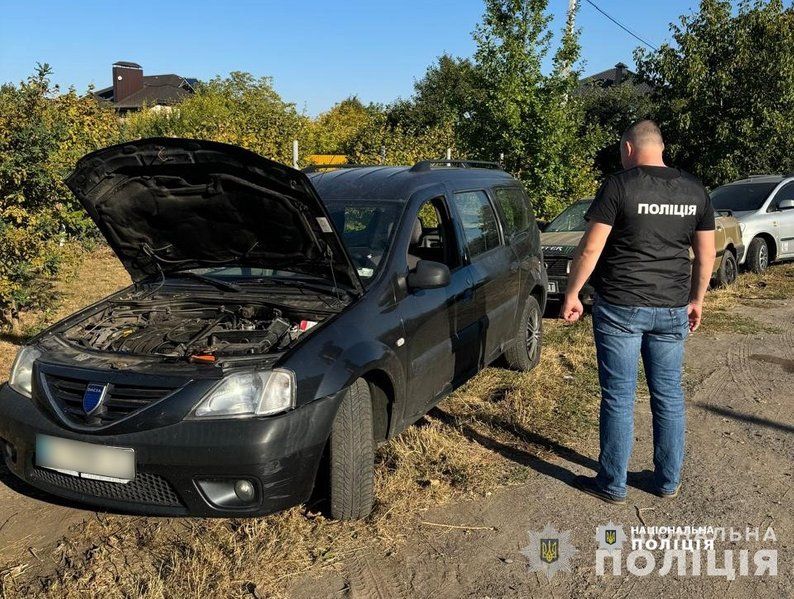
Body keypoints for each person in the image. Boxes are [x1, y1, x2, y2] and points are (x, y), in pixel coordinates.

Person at [561, 120, 716, 504]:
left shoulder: (619, 185)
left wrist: (572, 293)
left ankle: (612, 483)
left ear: (629, 148)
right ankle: (667, 481)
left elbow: (591, 248)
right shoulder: (694, 189)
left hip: (620, 307)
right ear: (659, 147)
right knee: (668, 395)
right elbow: (705, 254)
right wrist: (697, 300)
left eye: (620, 151)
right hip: (671, 307)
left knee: (618, 395)